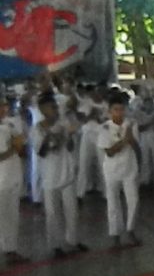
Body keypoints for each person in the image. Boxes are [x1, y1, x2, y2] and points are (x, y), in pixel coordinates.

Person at [32, 92, 88, 257]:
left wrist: (68, 136)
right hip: (50, 175)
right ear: (43, 110)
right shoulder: (37, 128)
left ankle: (72, 241)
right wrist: (50, 135)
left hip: (67, 172)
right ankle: (55, 245)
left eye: (56, 107)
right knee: (52, 213)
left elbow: (70, 147)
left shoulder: (63, 123)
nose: (55, 110)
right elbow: (41, 152)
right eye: (52, 107)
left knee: (72, 211)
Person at [97, 93, 142, 246]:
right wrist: (124, 141)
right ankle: (115, 234)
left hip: (129, 167)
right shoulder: (105, 128)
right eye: (116, 110)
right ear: (110, 111)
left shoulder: (131, 124)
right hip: (112, 169)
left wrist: (131, 139)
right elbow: (109, 152)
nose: (120, 113)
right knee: (113, 202)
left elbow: (137, 146)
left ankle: (130, 229)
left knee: (133, 200)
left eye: (122, 109)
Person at [0, 95, 28, 263]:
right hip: (1, 180)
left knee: (12, 216)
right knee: (3, 217)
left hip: (13, 176)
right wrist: (14, 147)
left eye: (4, 105)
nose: (4, 109)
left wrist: (20, 146)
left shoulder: (9, 125)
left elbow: (21, 148)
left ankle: (11, 249)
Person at [76, 86, 107, 199]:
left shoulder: (105, 105)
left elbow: (106, 121)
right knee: (84, 163)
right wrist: (92, 114)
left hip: (100, 135)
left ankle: (106, 192)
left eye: (99, 92)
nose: (96, 95)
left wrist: (99, 118)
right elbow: (82, 119)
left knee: (103, 164)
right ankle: (80, 193)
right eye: (94, 93)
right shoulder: (86, 104)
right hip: (87, 135)